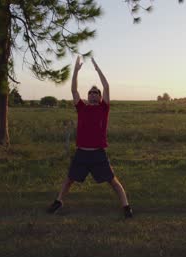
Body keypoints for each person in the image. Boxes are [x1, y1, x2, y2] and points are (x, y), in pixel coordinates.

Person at [47, 56, 133, 218]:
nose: (93, 94)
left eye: (96, 93)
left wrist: (97, 68)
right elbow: (73, 90)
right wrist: (76, 70)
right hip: (81, 153)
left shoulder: (104, 108)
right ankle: (58, 202)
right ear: (88, 96)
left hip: (98, 153)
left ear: (100, 97)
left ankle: (126, 206)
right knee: (69, 180)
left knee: (113, 181)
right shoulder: (82, 108)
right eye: (91, 92)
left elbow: (106, 86)